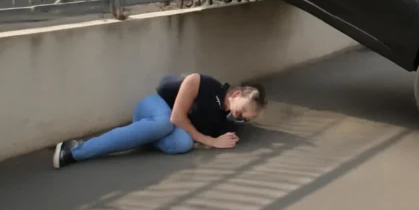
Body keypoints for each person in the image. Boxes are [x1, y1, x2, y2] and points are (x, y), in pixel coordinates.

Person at [53, 73, 267, 169]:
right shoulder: (202, 82)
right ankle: (75, 151)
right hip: (153, 109)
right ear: (237, 94)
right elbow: (177, 117)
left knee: (183, 143)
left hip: (163, 128)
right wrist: (211, 141)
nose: (243, 118)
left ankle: (138, 135)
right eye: (244, 111)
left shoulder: (224, 123)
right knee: (165, 123)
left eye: (247, 118)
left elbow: (190, 132)